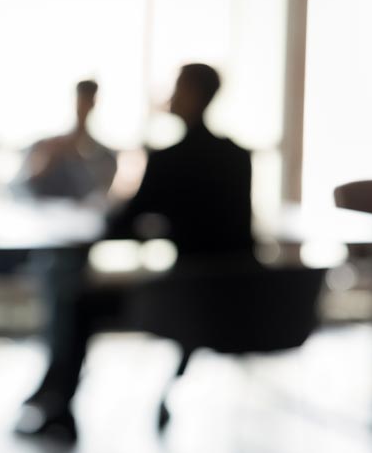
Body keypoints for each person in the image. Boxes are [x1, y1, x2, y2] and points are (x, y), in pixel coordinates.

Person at [15, 63, 255, 442]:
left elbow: (124, 222)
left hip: (187, 297)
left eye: (177, 89)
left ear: (192, 94)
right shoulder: (238, 157)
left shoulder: (169, 159)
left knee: (78, 302)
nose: (169, 98)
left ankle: (59, 407)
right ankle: (50, 395)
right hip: (235, 293)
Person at [0, 80, 117, 388]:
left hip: (63, 252)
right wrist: (42, 165)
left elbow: (98, 205)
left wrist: (79, 165)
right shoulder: (46, 146)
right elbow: (15, 190)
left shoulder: (105, 157)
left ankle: (55, 377)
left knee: (61, 275)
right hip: (26, 241)